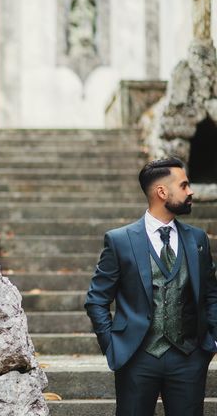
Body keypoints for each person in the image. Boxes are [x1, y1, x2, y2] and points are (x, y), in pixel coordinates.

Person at [85, 157, 217, 415]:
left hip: (189, 358)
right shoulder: (120, 240)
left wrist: (210, 343)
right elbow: (96, 299)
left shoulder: (197, 239)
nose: (190, 192)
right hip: (136, 358)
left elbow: (212, 294)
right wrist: (114, 346)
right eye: (184, 185)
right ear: (161, 192)